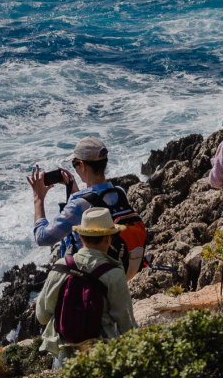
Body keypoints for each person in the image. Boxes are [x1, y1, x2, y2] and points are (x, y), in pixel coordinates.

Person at [30, 136, 145, 278]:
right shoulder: (119, 193)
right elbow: (95, 208)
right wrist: (76, 192)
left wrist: (38, 199)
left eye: (74, 163)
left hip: (88, 282)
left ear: (82, 165)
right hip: (115, 274)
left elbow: (42, 237)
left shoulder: (79, 205)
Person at [34, 207, 136, 362]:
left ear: (81, 237)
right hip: (101, 357)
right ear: (109, 238)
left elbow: (42, 316)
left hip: (65, 357)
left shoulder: (60, 267)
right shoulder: (113, 274)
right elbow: (125, 323)